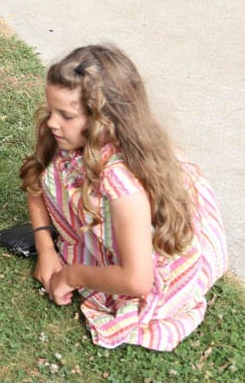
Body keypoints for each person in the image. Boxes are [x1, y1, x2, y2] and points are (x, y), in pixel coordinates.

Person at [19, 44, 227, 351]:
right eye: (51, 110)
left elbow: (137, 281)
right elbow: (36, 182)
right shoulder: (65, 135)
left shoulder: (121, 181)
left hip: (145, 265)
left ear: (106, 119)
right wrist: (45, 246)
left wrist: (72, 274)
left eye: (66, 115)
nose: (52, 122)